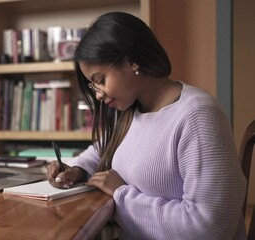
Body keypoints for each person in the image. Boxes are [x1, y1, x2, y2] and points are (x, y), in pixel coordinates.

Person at [46, 12, 247, 239]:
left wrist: (122, 194)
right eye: (93, 86)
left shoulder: (197, 117)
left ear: (132, 61)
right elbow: (100, 151)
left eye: (100, 80)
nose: (98, 95)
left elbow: (209, 228)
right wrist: (75, 170)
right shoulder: (132, 112)